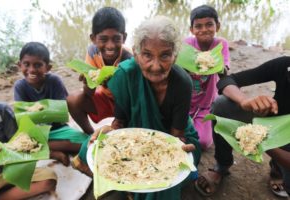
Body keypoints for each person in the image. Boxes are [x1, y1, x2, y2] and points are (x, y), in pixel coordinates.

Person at [89, 16, 201, 200]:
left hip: (173, 138)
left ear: (175, 56)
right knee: (92, 146)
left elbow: (176, 135)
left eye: (165, 55)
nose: (155, 66)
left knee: (167, 179)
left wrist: (173, 151)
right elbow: (120, 122)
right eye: (147, 55)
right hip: (135, 131)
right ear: (135, 53)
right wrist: (110, 131)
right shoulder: (125, 74)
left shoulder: (182, 83)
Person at [195, 56, 290, 198]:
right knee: (222, 105)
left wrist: (259, 141)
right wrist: (244, 101)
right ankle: (222, 164)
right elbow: (228, 80)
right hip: (273, 122)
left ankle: (278, 167)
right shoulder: (285, 65)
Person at [67, 6, 132, 175]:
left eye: (116, 39)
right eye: (103, 39)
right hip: (105, 98)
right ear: (93, 39)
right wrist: (88, 82)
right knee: (73, 100)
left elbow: (129, 97)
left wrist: (114, 82)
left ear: (124, 37)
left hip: (125, 103)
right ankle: (90, 133)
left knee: (124, 132)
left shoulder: (128, 58)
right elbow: (89, 92)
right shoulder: (92, 52)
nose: (110, 46)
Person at [14, 42, 88, 166]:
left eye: (38, 65)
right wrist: (48, 111)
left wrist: (34, 112)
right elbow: (23, 120)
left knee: (85, 142)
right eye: (26, 64)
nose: (31, 69)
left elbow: (61, 112)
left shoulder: (54, 81)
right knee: (19, 144)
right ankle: (53, 153)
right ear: (19, 65)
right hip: (35, 133)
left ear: (48, 68)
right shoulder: (20, 86)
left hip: (58, 129)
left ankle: (48, 148)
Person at [185, 5, 230, 150]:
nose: (204, 29)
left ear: (217, 26)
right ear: (191, 29)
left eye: (209, 24)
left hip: (206, 104)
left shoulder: (221, 44)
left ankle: (202, 125)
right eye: (198, 26)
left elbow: (224, 72)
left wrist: (214, 63)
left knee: (203, 143)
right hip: (185, 101)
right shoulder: (187, 44)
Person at [0, 102, 57, 199]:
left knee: (48, 180)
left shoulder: (2, 111)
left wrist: (30, 148)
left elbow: (16, 141)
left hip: (10, 168)